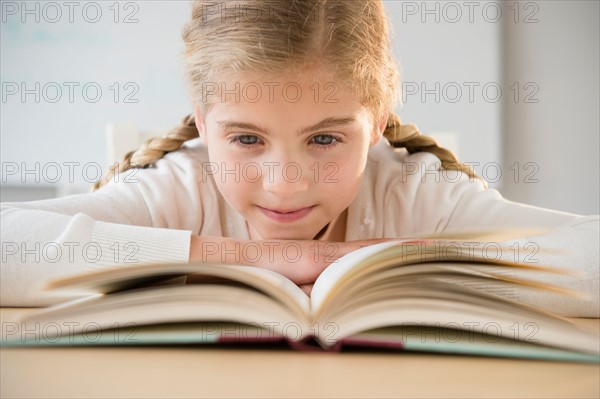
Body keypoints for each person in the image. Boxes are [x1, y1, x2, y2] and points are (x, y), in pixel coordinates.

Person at [1, 0, 598, 316]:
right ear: (203, 123)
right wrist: (276, 257)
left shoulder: (414, 194)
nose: (284, 185)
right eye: (246, 139)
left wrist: (380, 258)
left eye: (325, 139)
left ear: (378, 121)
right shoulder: (179, 188)